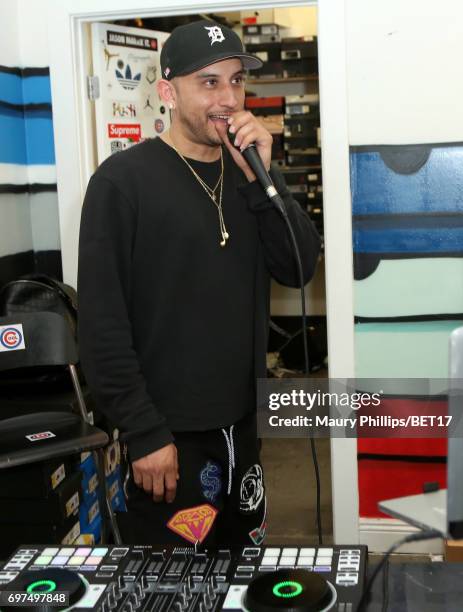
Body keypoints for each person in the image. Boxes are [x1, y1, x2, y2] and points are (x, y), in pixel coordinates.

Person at [78, 19, 321, 547]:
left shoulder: (250, 172)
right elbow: (101, 326)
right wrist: (143, 432)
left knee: (243, 573)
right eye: (209, 82)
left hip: (245, 428)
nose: (228, 98)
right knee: (176, 586)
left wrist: (266, 179)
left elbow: (300, 266)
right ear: (168, 91)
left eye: (236, 81)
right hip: (168, 440)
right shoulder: (121, 185)